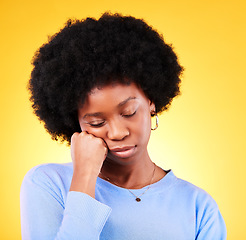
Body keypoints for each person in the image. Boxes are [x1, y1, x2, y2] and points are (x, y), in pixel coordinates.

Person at [20, 12, 226, 239]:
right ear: (75, 122)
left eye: (129, 113)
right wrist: (84, 176)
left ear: (151, 104)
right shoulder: (48, 184)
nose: (118, 132)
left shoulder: (199, 207)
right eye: (97, 122)